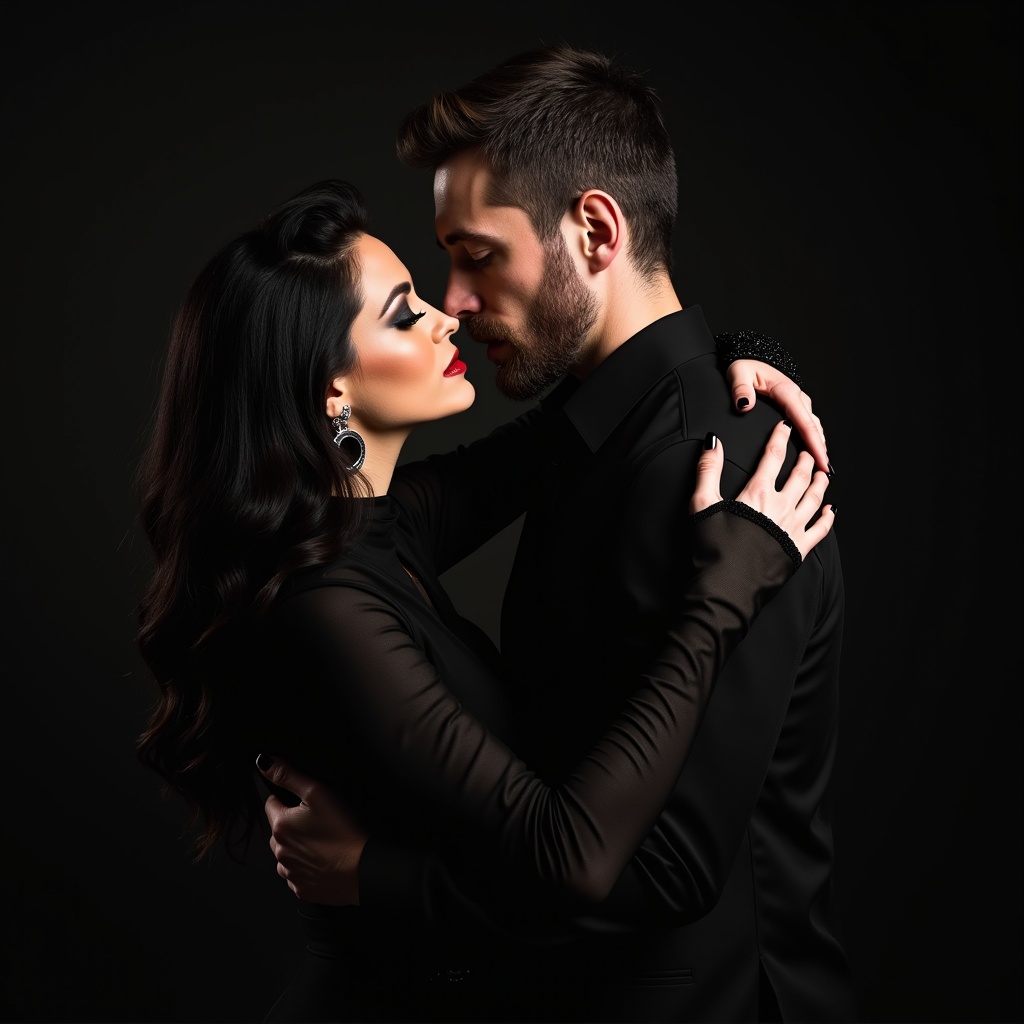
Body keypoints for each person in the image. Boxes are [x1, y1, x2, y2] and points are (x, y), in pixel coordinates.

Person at [134, 176, 834, 1024]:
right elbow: (570, 854)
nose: (447, 316)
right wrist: (724, 593)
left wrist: (734, 360)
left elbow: (577, 420)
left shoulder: (380, 526)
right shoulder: (323, 605)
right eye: (403, 313)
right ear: (333, 392)